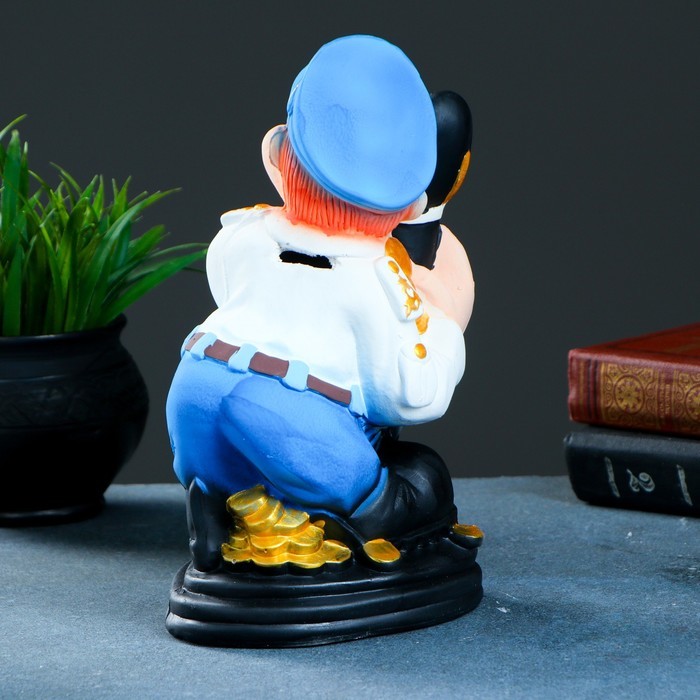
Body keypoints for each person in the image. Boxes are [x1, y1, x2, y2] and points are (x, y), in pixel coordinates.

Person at [165, 34, 476, 571]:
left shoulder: (243, 234)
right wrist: (442, 325)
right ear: (410, 205)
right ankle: (348, 517)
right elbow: (410, 398)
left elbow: (225, 284)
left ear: (278, 156)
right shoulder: (373, 281)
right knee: (414, 482)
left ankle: (214, 498)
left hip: (192, 391)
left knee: (236, 442)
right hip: (286, 419)